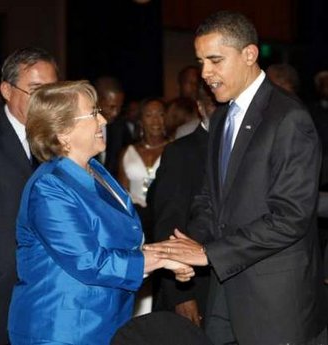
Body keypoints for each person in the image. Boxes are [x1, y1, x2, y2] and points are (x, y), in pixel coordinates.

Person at [144, 10, 327, 345]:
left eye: (215, 60)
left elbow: (291, 218)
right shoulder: (221, 118)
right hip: (225, 294)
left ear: (249, 54)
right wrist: (185, 248)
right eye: (200, 62)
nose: (205, 73)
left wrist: (208, 254)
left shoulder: (288, 118)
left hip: (276, 303)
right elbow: (209, 201)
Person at [7, 81, 194, 345]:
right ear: (63, 132)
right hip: (61, 329)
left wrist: (164, 253)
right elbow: (90, 262)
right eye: (93, 113)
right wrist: (162, 258)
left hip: (102, 321)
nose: (104, 119)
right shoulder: (50, 187)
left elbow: (119, 243)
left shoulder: (95, 170)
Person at [0, 47, 58, 345]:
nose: (45, 100)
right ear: (7, 90)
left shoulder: (61, 140)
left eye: (52, 90)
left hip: (48, 289)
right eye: (36, 90)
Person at [148, 82, 217, 326]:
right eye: (213, 104)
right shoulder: (181, 152)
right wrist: (181, 295)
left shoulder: (241, 147)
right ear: (200, 107)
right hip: (195, 283)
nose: (220, 110)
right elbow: (169, 224)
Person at [117, 97, 168, 316]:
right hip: (136, 223)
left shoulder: (175, 148)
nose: (155, 120)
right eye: (149, 115)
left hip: (163, 221)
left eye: (160, 114)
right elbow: (120, 195)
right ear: (141, 121)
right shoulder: (127, 151)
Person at [94, 76, 132, 176]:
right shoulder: (79, 127)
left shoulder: (120, 128)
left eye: (119, 107)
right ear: (97, 100)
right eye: (111, 107)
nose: (116, 113)